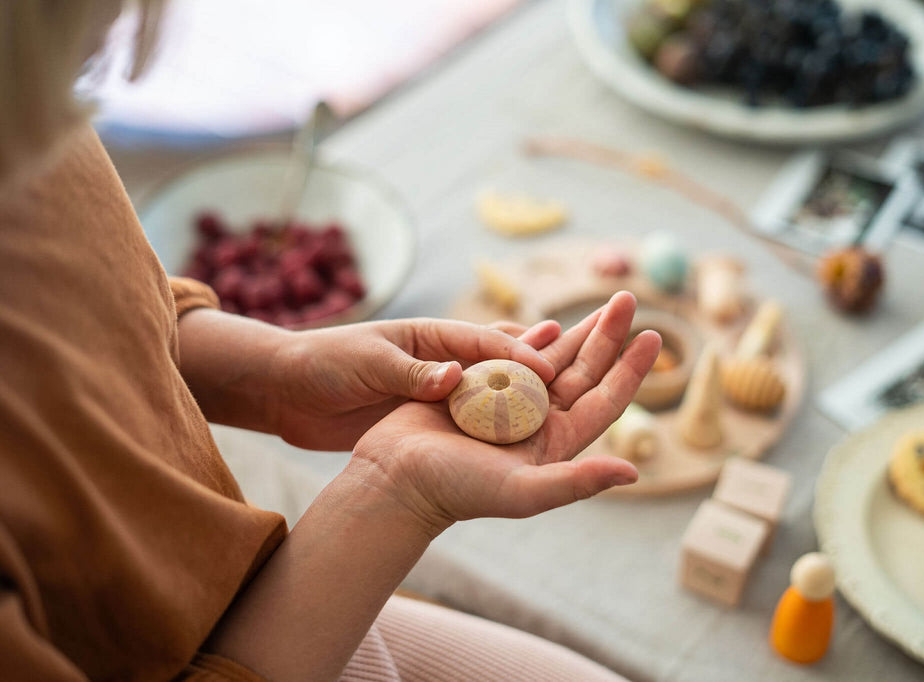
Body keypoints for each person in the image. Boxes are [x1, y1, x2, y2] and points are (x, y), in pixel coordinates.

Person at [0, 2, 662, 679]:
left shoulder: (21, 94)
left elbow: (71, 312)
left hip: (238, 590)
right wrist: (396, 494)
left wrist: (273, 369)